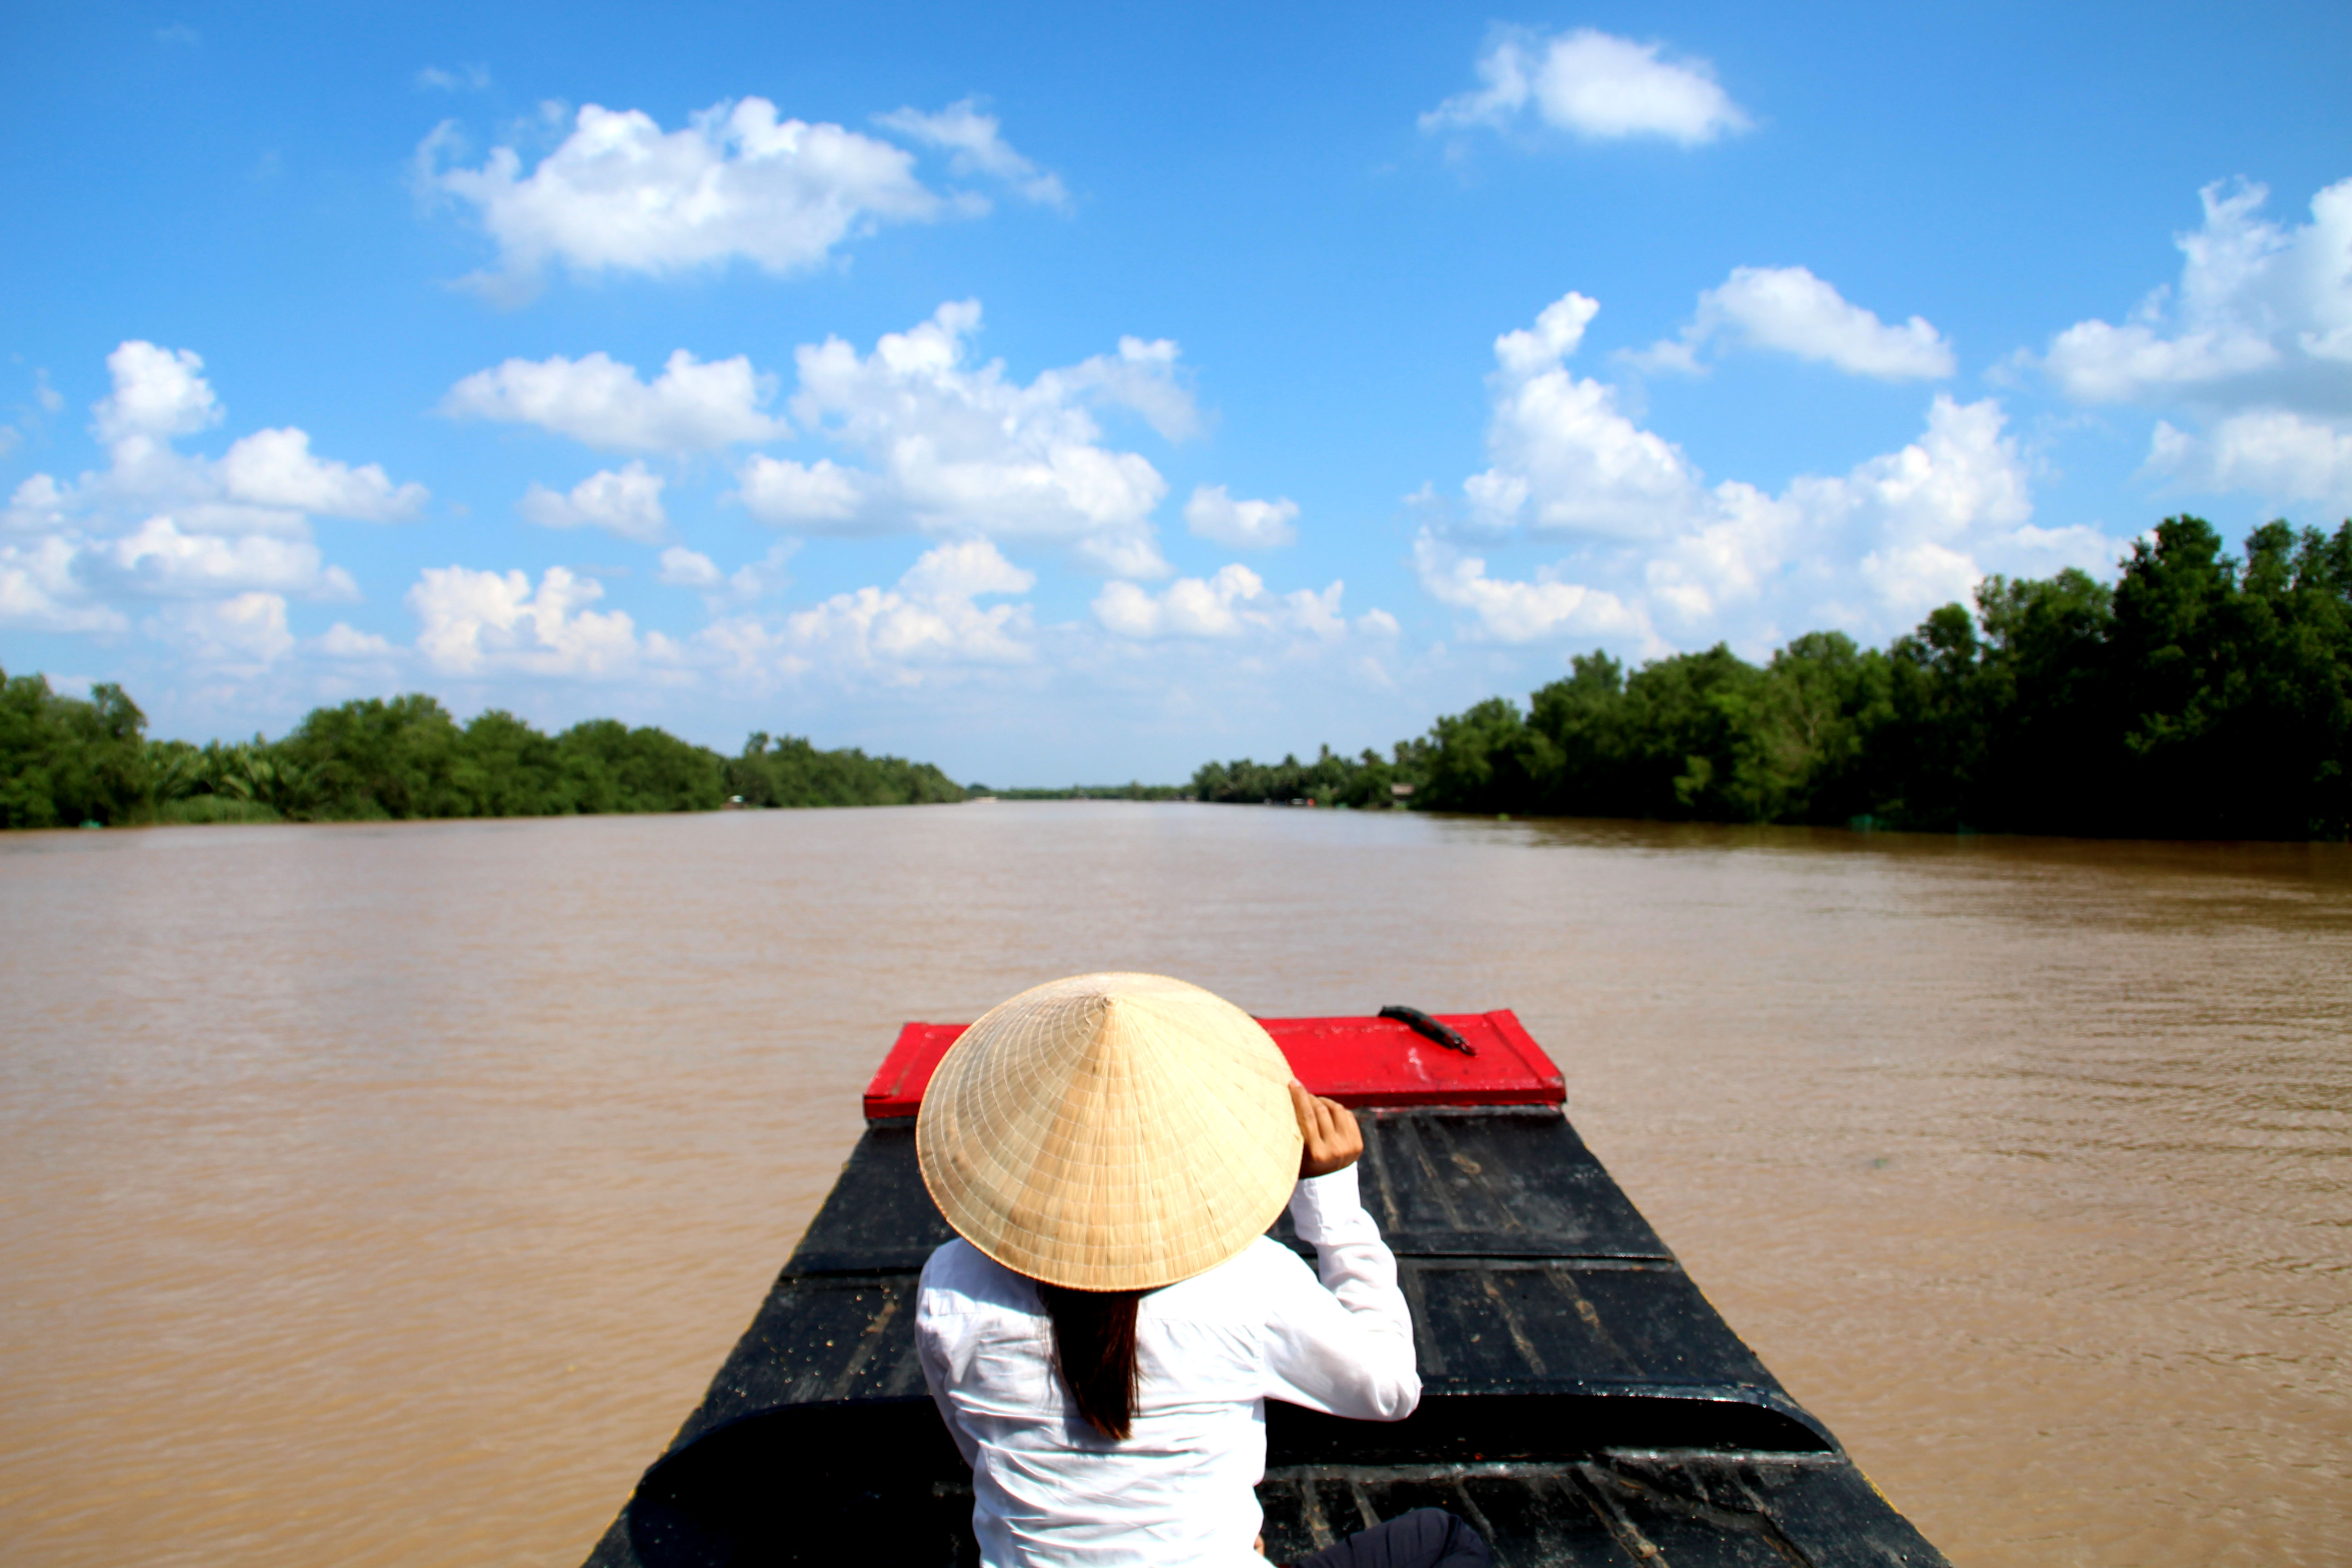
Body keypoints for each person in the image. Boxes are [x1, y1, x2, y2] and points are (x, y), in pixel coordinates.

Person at [913, 972, 1491, 1568]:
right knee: (1446, 1540)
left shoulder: (950, 1283)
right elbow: (1391, 1389)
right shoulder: (1252, 1282)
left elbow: (974, 1446)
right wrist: (1334, 1205)